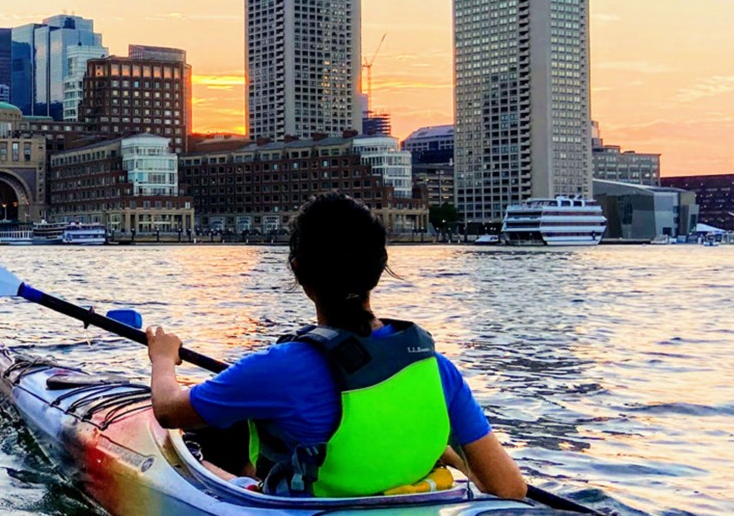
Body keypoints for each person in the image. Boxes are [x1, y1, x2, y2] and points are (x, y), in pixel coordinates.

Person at [143, 194, 527, 499]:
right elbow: (509, 488)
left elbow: (169, 410)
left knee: (198, 448)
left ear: (298, 270)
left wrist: (163, 357)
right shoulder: (435, 368)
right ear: (378, 270)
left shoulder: (279, 367)